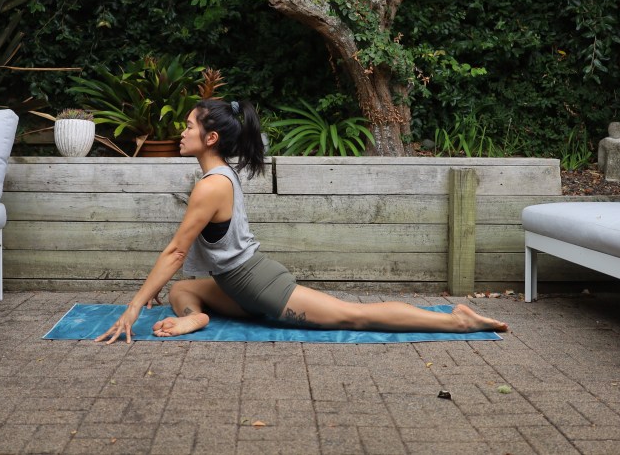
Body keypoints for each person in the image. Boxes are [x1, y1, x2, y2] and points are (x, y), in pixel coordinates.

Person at [96, 99, 509, 344]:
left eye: (188, 126)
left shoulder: (212, 185)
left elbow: (176, 251)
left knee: (353, 316)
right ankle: (196, 315)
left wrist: (133, 307)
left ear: (211, 138)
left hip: (259, 285)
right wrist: (154, 293)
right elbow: (180, 262)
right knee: (182, 289)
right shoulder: (218, 176)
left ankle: (455, 321)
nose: (181, 132)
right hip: (235, 282)